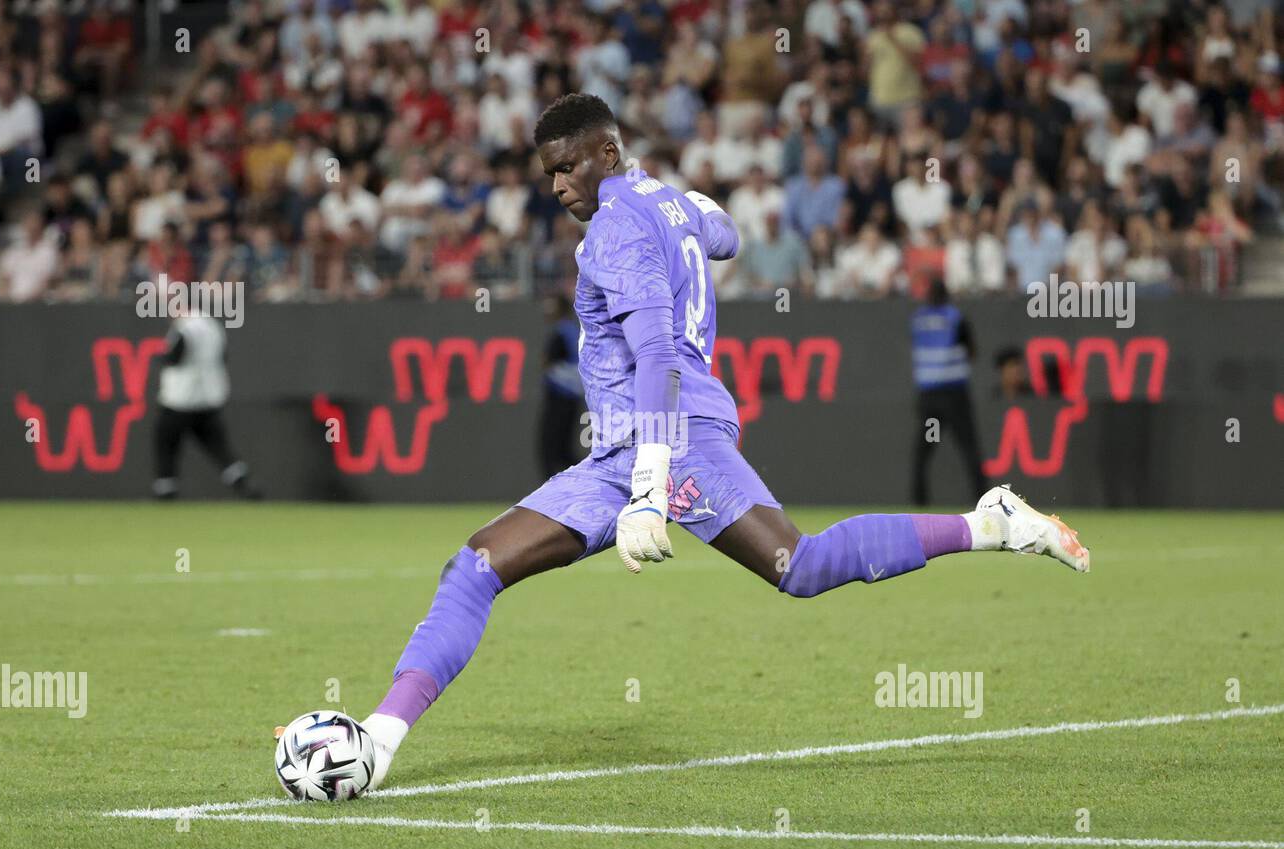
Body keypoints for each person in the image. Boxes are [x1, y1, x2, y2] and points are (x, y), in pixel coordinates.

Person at [357, 95, 1091, 790]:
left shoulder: (614, 227)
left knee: (800, 566)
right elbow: (729, 235)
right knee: (476, 565)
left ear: (607, 153)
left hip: (669, 440)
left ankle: (991, 524)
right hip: (620, 452)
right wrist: (689, 206)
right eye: (548, 172)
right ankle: (376, 742)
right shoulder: (668, 203)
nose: (556, 185)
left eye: (567, 167)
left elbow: (656, 355)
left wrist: (651, 489)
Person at [153, 310, 260, 501]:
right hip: (208, 399)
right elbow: (223, 356)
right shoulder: (213, 326)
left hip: (180, 399)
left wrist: (162, 357)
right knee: (219, 448)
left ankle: (166, 491)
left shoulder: (185, 328)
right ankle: (243, 484)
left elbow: (175, 357)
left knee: (166, 445)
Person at [910, 276, 986, 506]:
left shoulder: (918, 320)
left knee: (926, 449)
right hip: (954, 397)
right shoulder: (955, 318)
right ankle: (983, 501)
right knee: (968, 447)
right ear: (947, 296)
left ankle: (919, 502)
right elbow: (971, 351)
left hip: (930, 400)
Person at [539, 294, 585, 480]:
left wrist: (550, 370)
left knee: (549, 450)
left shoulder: (561, 333)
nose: (546, 309)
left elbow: (546, 364)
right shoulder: (574, 331)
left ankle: (552, 491)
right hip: (571, 400)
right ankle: (582, 483)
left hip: (560, 400)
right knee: (563, 451)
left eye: (551, 305)